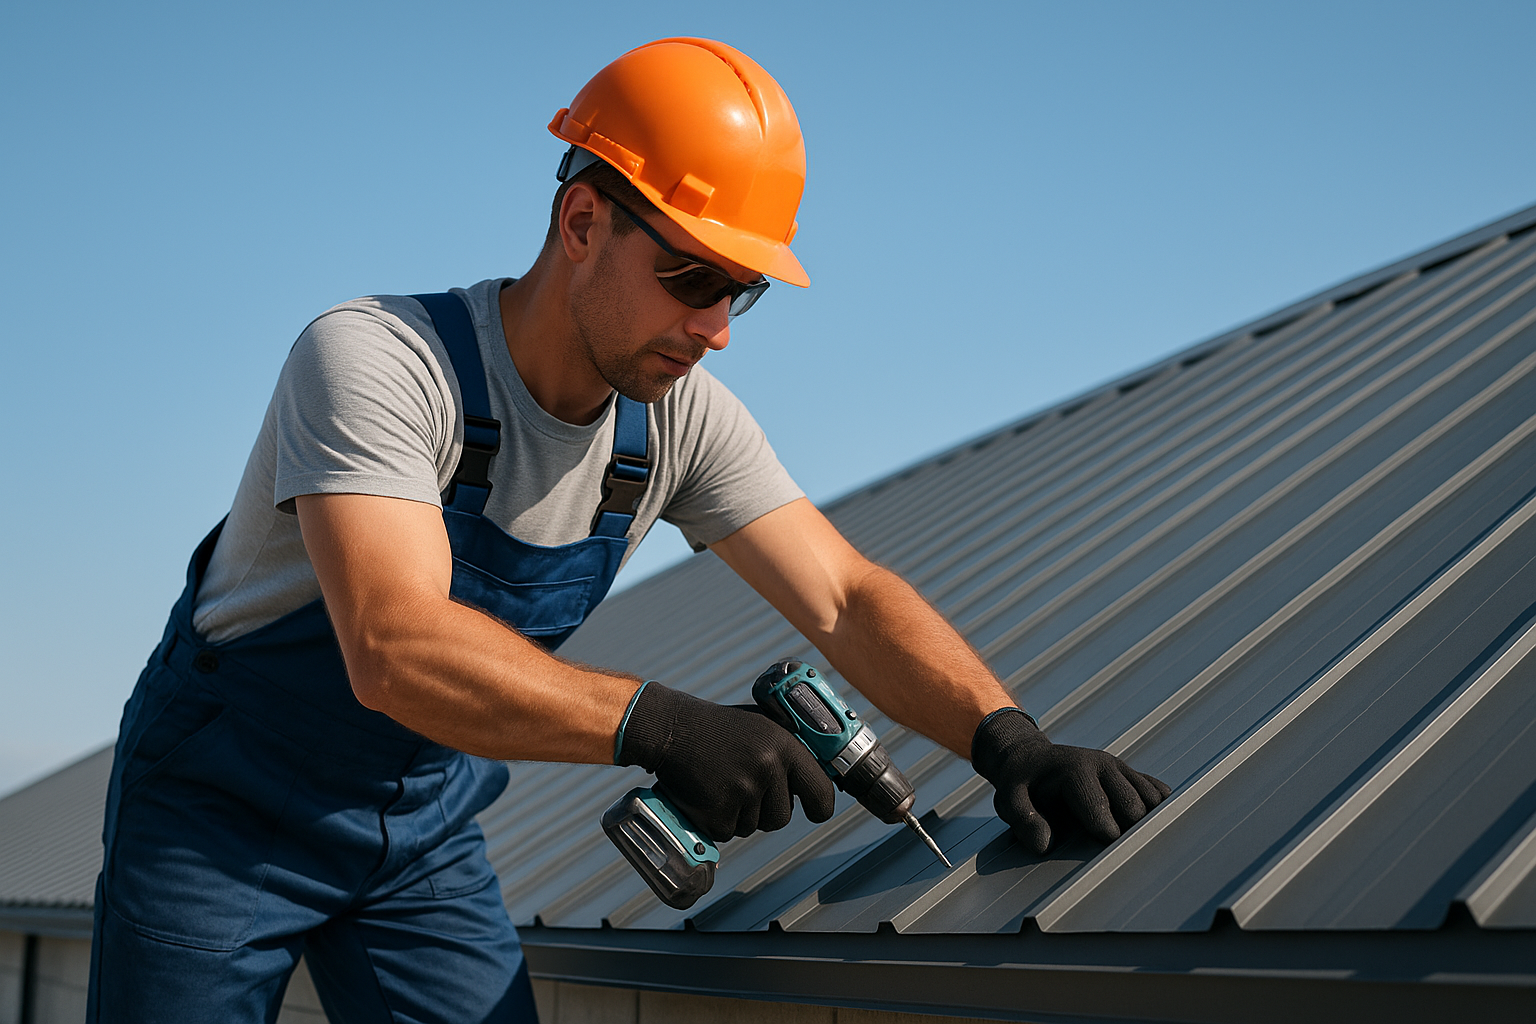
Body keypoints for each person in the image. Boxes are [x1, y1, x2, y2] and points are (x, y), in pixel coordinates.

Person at [88, 37, 1169, 1024]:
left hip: (415, 831)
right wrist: (664, 727)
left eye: (739, 293)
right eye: (689, 277)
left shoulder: (679, 423)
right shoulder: (375, 360)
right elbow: (394, 645)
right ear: (581, 224)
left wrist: (1007, 738)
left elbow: (841, 593)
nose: (713, 329)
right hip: (215, 821)